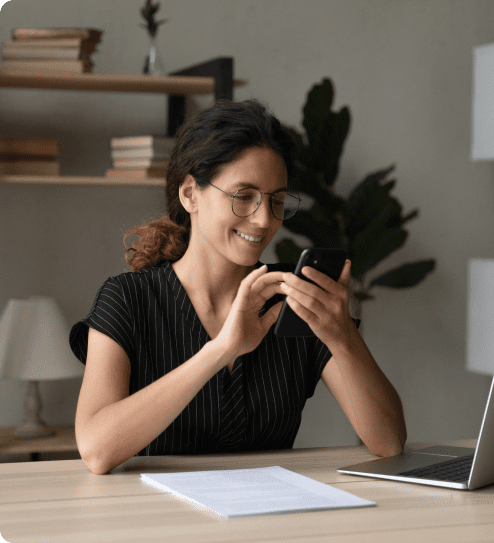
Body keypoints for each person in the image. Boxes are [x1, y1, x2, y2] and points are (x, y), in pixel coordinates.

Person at [69, 99, 406, 475]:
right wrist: (223, 349)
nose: (264, 220)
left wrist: (343, 336)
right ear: (190, 194)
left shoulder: (293, 297)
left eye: (276, 201)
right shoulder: (127, 300)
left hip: (268, 520)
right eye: (243, 196)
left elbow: (388, 442)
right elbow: (97, 449)